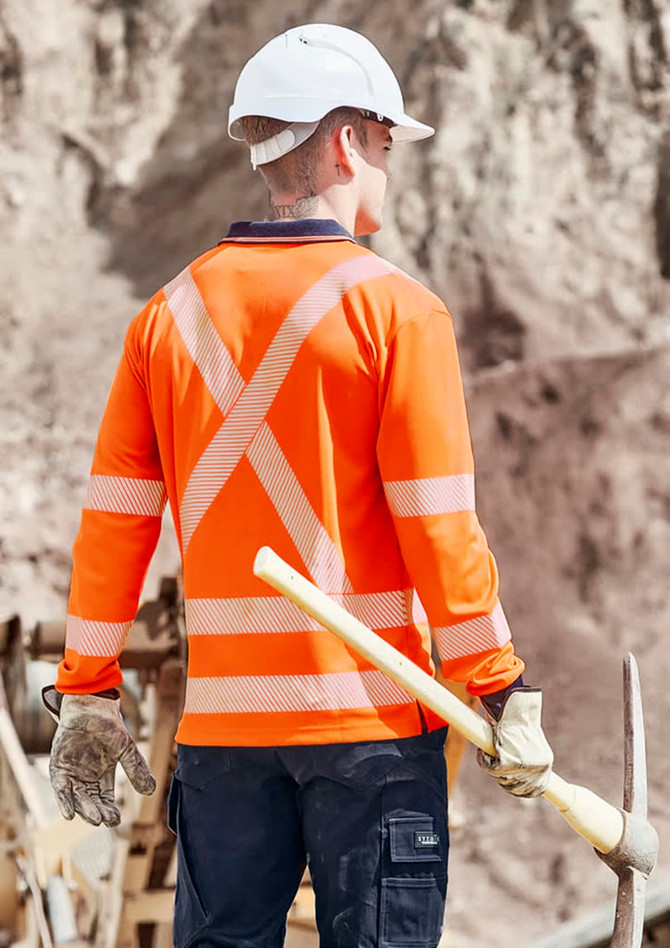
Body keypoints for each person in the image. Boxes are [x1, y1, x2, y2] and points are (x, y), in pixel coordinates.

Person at [43, 23, 554, 948]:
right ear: (348, 140)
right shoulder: (398, 313)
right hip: (371, 733)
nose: (392, 170)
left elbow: (117, 521)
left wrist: (89, 688)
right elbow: (438, 526)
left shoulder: (165, 318)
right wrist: (500, 685)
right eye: (389, 145)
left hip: (223, 745)